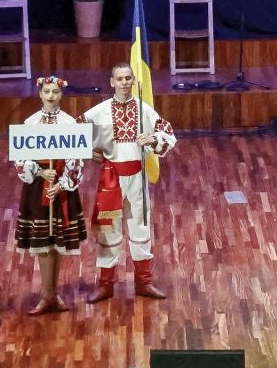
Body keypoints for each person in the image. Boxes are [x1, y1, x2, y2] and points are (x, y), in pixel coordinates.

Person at [83, 62, 176, 302]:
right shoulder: (100, 111)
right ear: (112, 82)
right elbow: (74, 132)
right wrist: (87, 152)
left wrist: (153, 139)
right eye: (120, 79)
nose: (124, 82)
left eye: (128, 78)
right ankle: (105, 285)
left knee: (141, 229)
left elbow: (168, 133)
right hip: (111, 178)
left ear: (133, 81)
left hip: (137, 177)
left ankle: (144, 282)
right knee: (109, 232)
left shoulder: (144, 109)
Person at [14, 75, 86, 314]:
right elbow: (20, 158)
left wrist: (63, 184)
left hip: (61, 188)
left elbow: (77, 160)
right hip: (38, 187)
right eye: (47, 92)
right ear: (40, 94)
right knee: (44, 243)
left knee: (58, 244)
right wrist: (39, 172)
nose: (51, 96)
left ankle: (53, 294)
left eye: (55, 92)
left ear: (61, 94)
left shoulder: (70, 124)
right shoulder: (30, 123)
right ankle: (46, 295)